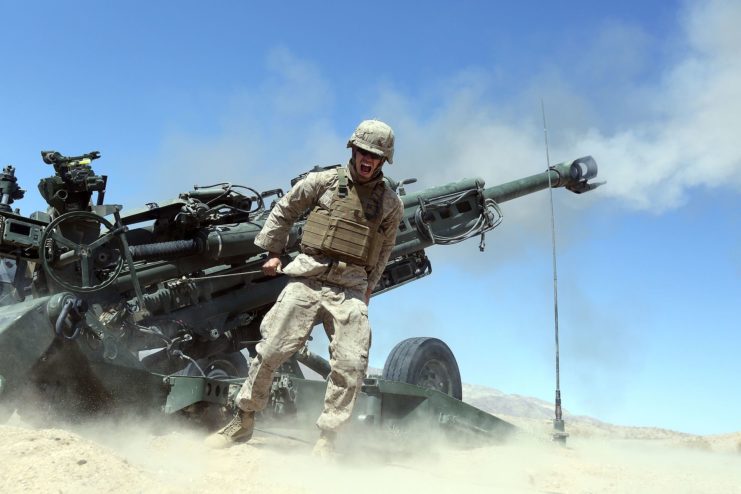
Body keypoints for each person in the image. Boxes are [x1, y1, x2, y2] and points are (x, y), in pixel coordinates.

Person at [206, 119, 404, 455]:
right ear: (353, 150)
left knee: (351, 364)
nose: (368, 160)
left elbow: (384, 249)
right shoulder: (323, 181)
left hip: (350, 287)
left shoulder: (389, 204)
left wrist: (368, 288)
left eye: (375, 155)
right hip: (309, 277)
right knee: (271, 350)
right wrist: (273, 252)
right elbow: (285, 209)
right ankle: (242, 420)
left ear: (383, 160)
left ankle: (328, 439)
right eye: (363, 152)